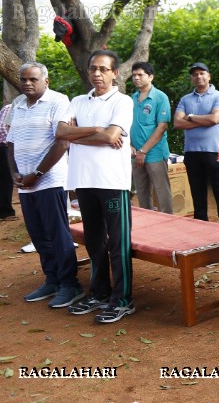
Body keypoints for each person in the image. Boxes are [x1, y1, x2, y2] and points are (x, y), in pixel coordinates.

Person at [56, 50, 135, 324]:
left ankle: (123, 299)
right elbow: (61, 133)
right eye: (93, 68)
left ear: (115, 73)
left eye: (103, 69)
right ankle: (100, 293)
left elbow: (112, 136)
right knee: (94, 242)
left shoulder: (122, 101)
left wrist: (80, 133)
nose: (97, 74)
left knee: (118, 244)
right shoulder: (78, 100)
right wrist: (97, 130)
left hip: (112, 183)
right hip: (84, 182)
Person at [7, 62, 82, 308]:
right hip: (25, 183)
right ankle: (52, 279)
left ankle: (70, 284)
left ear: (46, 81)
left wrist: (37, 173)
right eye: (24, 79)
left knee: (58, 234)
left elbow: (62, 143)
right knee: (38, 234)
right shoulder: (17, 105)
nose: (27, 83)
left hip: (50, 180)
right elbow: (10, 144)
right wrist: (15, 174)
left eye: (33, 79)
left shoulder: (59, 101)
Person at [174, 62, 219, 225]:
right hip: (192, 153)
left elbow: (215, 118)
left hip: (215, 151)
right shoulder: (185, 99)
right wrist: (204, 120)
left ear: (209, 76)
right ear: (191, 78)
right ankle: (201, 229)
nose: (198, 76)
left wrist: (190, 116)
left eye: (202, 73)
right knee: (197, 194)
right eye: (195, 74)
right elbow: (177, 123)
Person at [129, 62, 173, 213]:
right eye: (134, 75)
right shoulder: (132, 98)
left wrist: (144, 151)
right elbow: (127, 124)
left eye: (140, 75)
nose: (136, 78)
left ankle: (168, 224)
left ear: (151, 77)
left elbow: (162, 127)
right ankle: (148, 224)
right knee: (142, 192)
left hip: (154, 153)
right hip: (135, 154)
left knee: (161, 192)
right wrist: (130, 146)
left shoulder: (160, 97)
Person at [0, 102, 18, 220]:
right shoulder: (11, 107)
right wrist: (11, 144)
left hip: (6, 146)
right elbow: (2, 127)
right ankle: (5, 212)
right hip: (4, 146)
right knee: (6, 179)